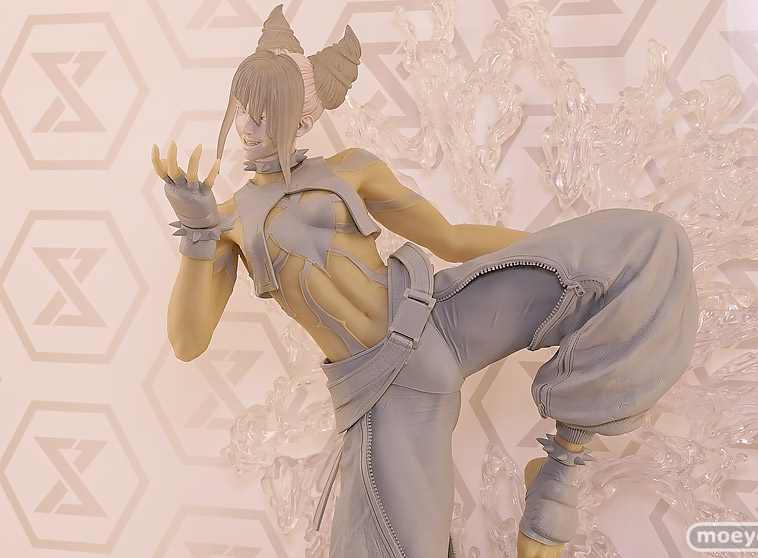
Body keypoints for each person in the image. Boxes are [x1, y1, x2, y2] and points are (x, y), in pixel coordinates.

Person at [151, 6, 698, 558]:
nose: (246, 127)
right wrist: (197, 236)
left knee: (644, 247)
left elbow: (451, 239)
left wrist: (551, 248)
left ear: (303, 119)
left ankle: (559, 466)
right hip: (388, 393)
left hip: (443, 316)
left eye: (264, 112)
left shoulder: (352, 168)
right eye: (241, 109)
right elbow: (187, 342)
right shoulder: (228, 221)